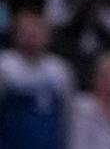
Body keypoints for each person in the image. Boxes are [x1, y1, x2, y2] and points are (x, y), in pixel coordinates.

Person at [0, 10, 74, 149]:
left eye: (36, 34)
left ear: (48, 37)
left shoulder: (60, 70)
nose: (31, 39)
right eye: (26, 33)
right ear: (16, 35)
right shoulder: (5, 65)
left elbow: (68, 116)